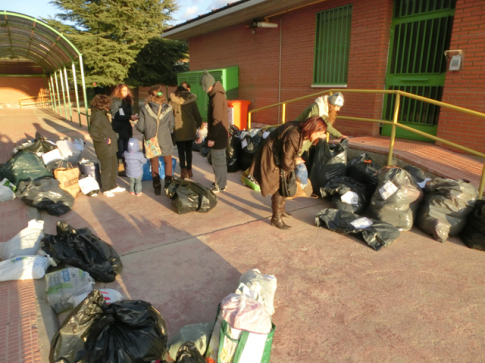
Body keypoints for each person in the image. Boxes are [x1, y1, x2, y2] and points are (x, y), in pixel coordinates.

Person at [249, 117, 328, 229]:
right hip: (271, 155)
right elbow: (286, 163)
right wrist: (295, 161)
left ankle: (281, 210)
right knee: (279, 184)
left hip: (278, 153)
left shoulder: (301, 128)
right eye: (319, 134)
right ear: (313, 129)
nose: (319, 136)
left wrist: (294, 160)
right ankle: (276, 218)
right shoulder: (294, 136)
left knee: (284, 181)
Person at [136, 85, 175, 195]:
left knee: (154, 163)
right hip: (165, 138)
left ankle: (156, 187)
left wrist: (147, 131)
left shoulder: (144, 109)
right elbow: (172, 124)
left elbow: (140, 127)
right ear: (161, 94)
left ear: (150, 95)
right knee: (168, 161)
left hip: (151, 139)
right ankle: (168, 186)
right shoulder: (168, 108)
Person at [88, 94, 126, 197]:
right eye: (107, 104)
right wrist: (105, 139)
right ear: (102, 104)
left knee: (114, 167)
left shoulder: (103, 114)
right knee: (107, 168)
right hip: (104, 147)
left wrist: (114, 135)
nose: (109, 106)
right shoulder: (97, 116)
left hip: (111, 146)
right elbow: (93, 132)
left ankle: (113, 185)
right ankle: (106, 188)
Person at [200, 71, 229, 193]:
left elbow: (217, 120)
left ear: (208, 85)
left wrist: (211, 138)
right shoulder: (217, 95)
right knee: (219, 161)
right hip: (220, 135)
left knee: (218, 162)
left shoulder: (216, 98)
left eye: (204, 87)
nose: (203, 90)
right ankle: (220, 182)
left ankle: (220, 185)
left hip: (218, 137)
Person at [169, 82, 204, 180]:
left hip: (178, 129)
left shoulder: (173, 101)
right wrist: (201, 124)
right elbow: (196, 114)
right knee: (189, 150)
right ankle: (189, 170)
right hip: (189, 128)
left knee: (180, 151)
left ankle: (183, 171)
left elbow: (168, 114)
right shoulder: (191, 100)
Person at [110, 84, 138, 175]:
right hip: (118, 128)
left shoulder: (127, 101)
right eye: (124, 90)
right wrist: (129, 116)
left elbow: (127, 114)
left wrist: (132, 117)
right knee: (120, 149)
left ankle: (126, 168)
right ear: (119, 91)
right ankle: (120, 168)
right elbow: (115, 115)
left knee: (127, 148)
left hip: (126, 127)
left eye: (127, 90)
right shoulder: (115, 101)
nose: (126, 92)